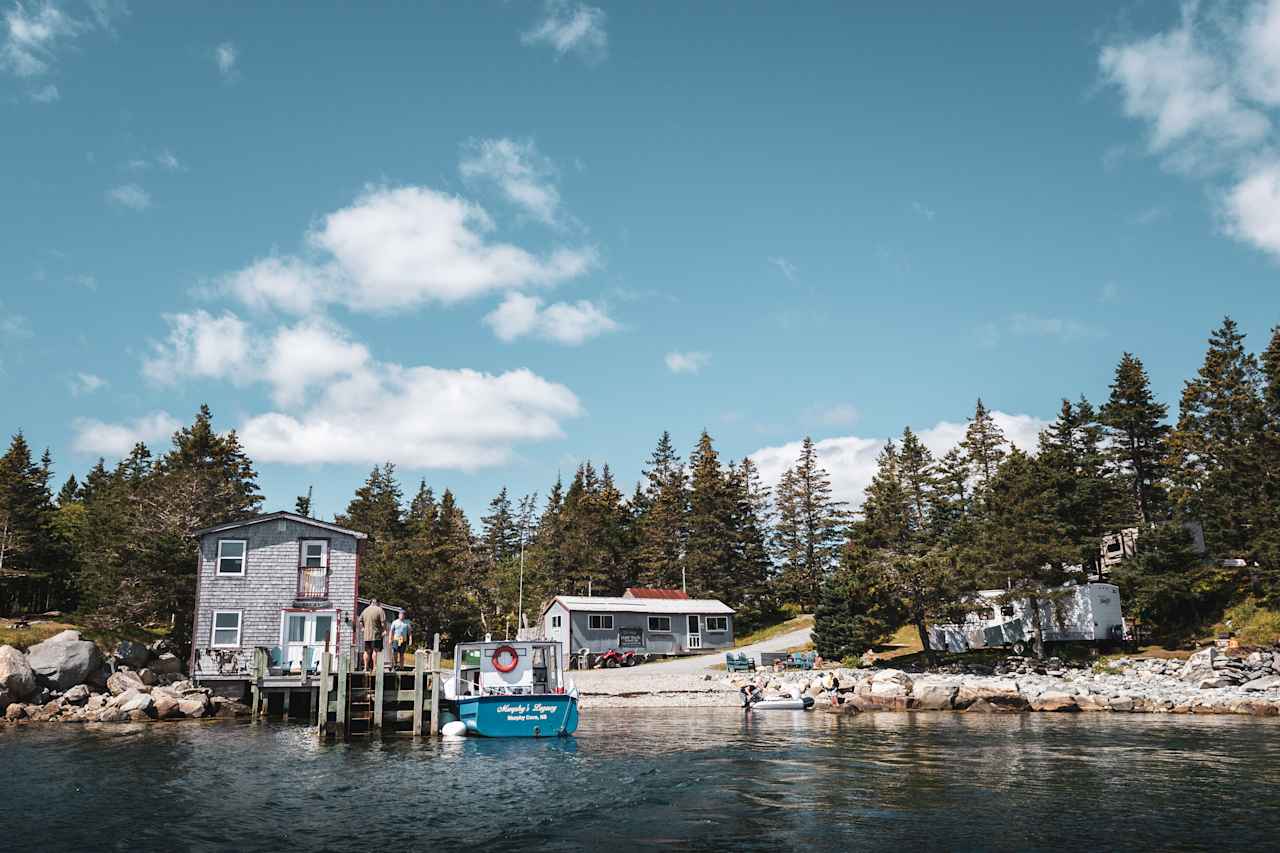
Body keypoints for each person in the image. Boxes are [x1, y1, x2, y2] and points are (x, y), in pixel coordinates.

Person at [360, 598, 388, 673]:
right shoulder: (379, 610)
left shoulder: (365, 610)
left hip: (366, 635)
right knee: (375, 651)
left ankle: (365, 667)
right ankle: (375, 667)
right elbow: (383, 622)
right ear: (377, 603)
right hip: (376, 634)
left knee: (367, 651)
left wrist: (363, 628)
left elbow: (360, 621)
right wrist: (385, 630)